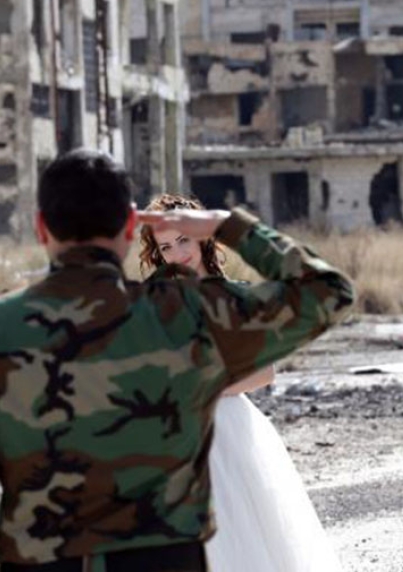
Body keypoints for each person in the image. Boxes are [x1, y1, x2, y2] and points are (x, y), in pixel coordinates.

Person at [0, 148, 354, 572]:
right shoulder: (182, 316)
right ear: (132, 227)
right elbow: (328, 290)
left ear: (41, 227)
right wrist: (227, 225)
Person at [139, 193, 344, 572]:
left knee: (242, 537)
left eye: (183, 240)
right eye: (165, 247)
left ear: (202, 236)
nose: (177, 253)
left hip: (231, 429)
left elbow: (264, 372)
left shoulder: (235, 295)